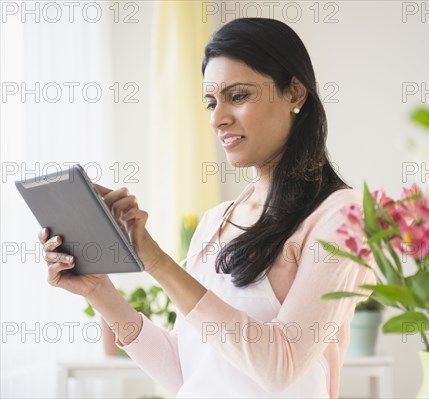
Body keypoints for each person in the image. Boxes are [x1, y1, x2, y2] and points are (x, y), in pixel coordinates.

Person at [38, 18, 375, 399]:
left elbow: (281, 366)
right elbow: (186, 373)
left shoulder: (340, 217)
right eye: (211, 102)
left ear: (295, 93)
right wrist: (99, 291)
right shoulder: (217, 221)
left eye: (239, 95)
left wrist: (158, 261)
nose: (218, 119)